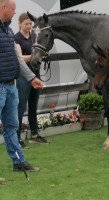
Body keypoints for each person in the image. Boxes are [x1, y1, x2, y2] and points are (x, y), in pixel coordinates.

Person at [0, 0, 43, 173]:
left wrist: (32, 77)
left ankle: (18, 162)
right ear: (4, 8)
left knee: (11, 126)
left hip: (11, 86)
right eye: (13, 10)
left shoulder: (9, 31)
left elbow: (17, 59)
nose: (15, 13)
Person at [14, 13, 49, 149]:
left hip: (36, 74)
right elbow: (20, 58)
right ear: (20, 24)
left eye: (30, 24)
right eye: (26, 24)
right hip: (23, 77)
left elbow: (39, 50)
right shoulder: (16, 39)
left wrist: (43, 54)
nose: (29, 26)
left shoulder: (34, 37)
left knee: (33, 106)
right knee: (21, 108)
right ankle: (16, 139)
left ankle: (34, 135)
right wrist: (34, 55)